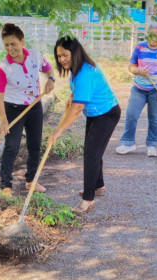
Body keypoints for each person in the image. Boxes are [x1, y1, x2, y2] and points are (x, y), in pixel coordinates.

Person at [49, 37, 121, 214]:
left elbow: (77, 109)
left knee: (91, 154)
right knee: (93, 152)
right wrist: (73, 95)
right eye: (59, 56)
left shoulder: (85, 73)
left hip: (106, 114)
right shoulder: (77, 69)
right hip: (96, 113)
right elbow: (80, 95)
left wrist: (58, 130)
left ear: (76, 52)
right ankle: (98, 186)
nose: (62, 59)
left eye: (65, 55)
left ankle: (88, 200)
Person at [0, 23, 55, 197]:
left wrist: (51, 78)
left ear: (22, 41)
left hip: (34, 106)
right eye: (6, 45)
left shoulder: (35, 56)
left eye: (13, 43)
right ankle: (6, 186)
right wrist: (4, 120)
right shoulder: (3, 67)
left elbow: (48, 68)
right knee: (11, 146)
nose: (10, 48)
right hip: (13, 108)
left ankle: (31, 181)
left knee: (34, 145)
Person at [116, 24, 157, 157]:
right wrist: (139, 72)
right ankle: (128, 143)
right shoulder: (139, 47)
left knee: (155, 118)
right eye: (150, 35)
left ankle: (152, 145)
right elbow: (131, 66)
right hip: (139, 89)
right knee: (131, 115)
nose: (153, 39)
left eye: (156, 35)